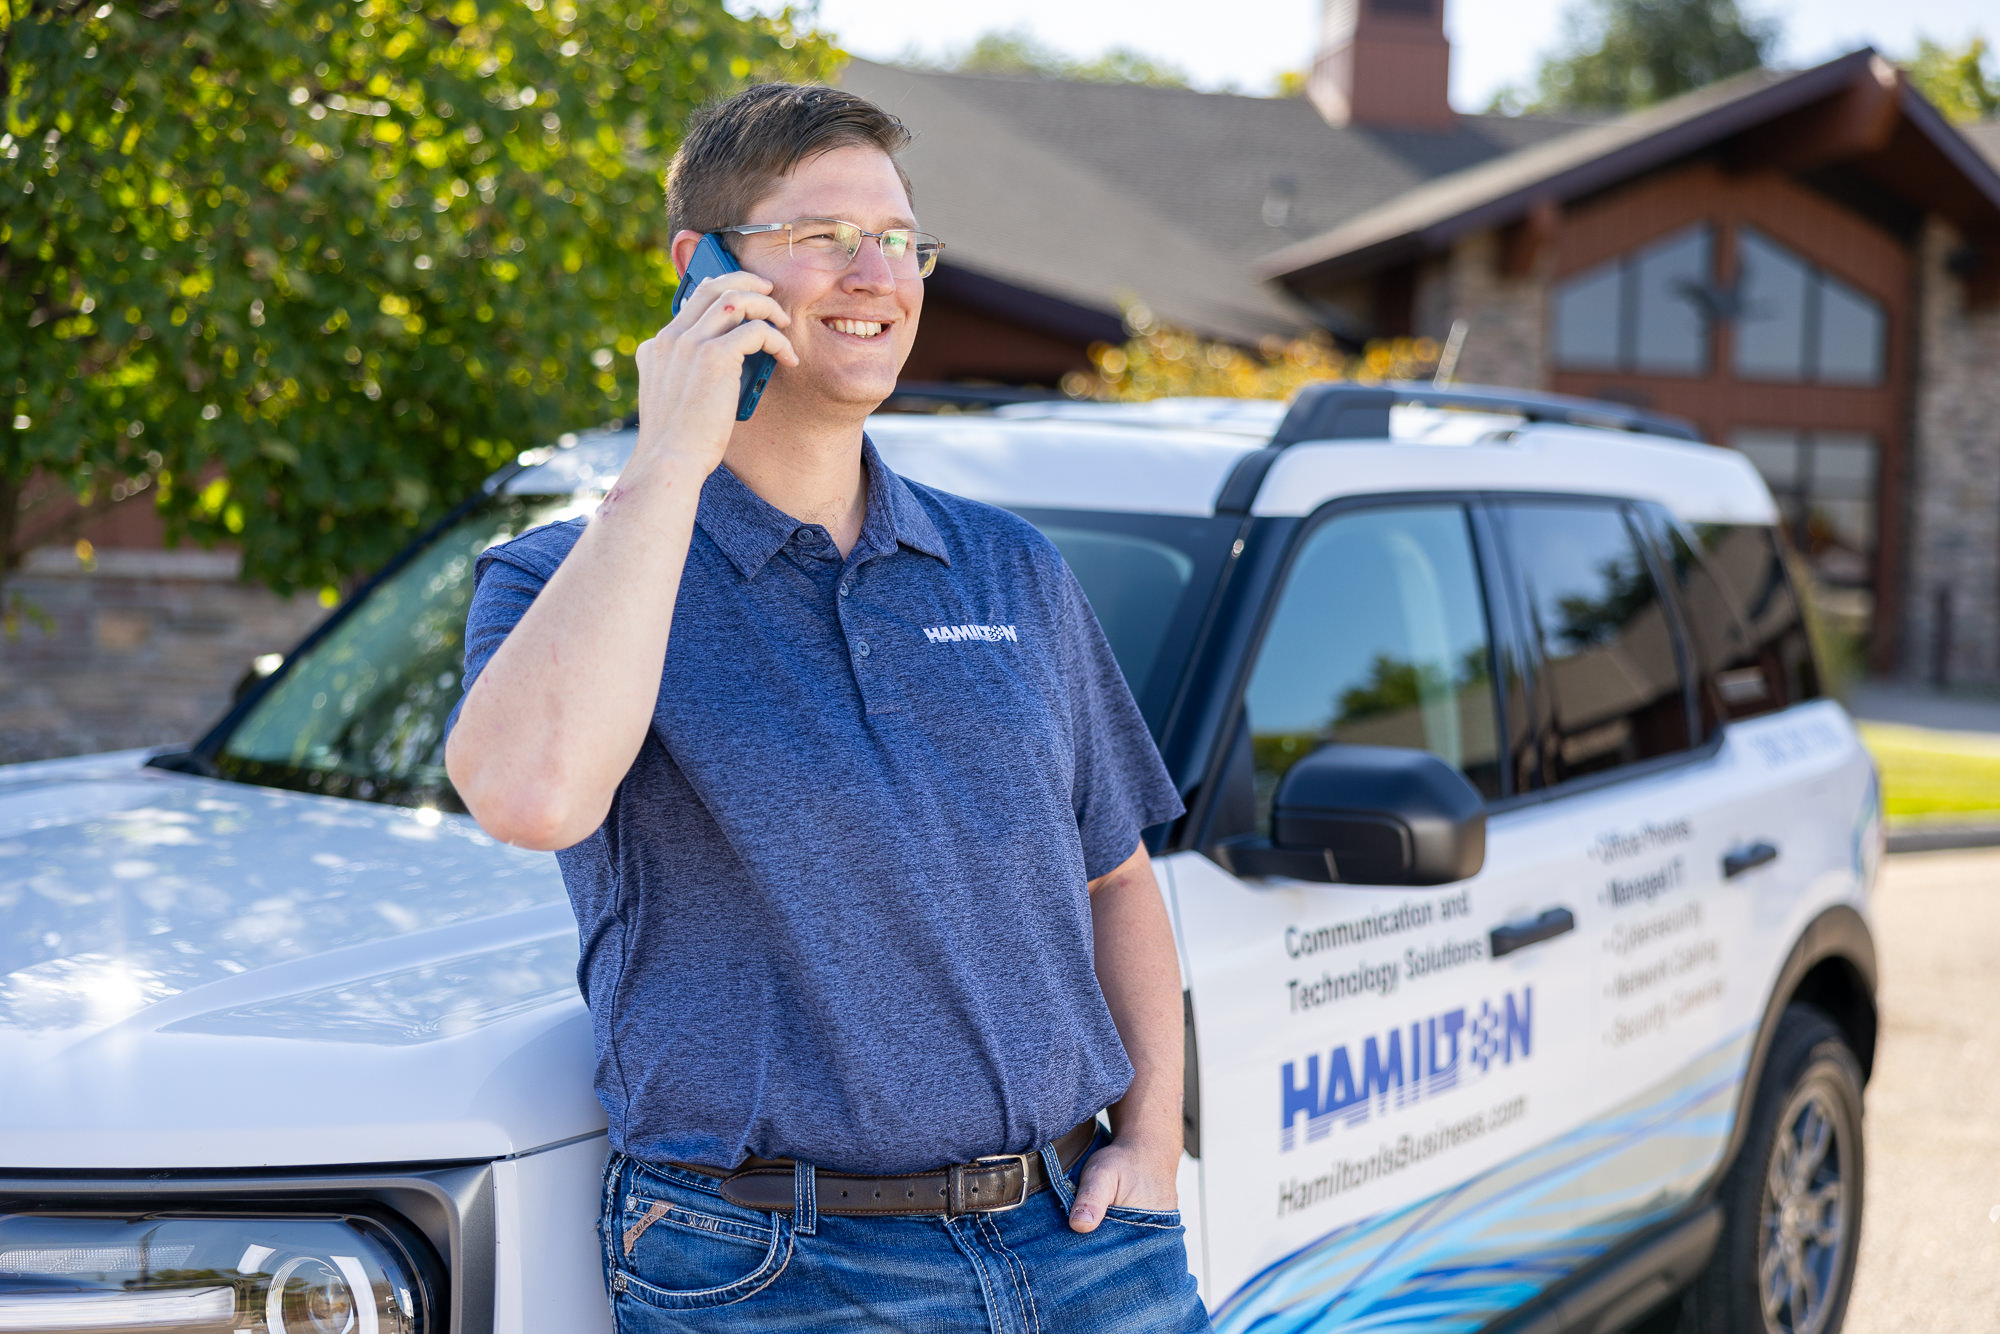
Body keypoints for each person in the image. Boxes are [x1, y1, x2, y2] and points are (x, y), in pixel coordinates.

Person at [444, 82, 1209, 1332]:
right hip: (776, 1265)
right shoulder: (559, 578)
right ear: (702, 271)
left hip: (1084, 1239)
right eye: (821, 235)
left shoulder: (1008, 565)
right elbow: (530, 797)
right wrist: (667, 459)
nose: (876, 272)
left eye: (898, 238)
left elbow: (1115, 877)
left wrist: (1152, 1138)